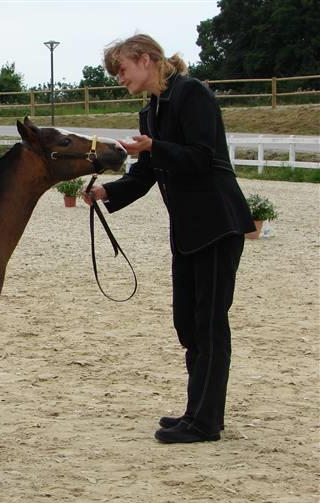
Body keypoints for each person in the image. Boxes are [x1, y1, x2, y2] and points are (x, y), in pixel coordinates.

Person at [84, 34, 255, 444]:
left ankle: (205, 422)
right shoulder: (152, 111)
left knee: (210, 324)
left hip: (217, 223)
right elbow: (146, 173)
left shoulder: (192, 93)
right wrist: (109, 192)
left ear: (146, 59)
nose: (119, 78)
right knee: (189, 323)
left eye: (122, 69)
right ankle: (197, 411)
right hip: (189, 231)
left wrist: (154, 147)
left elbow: (201, 157)